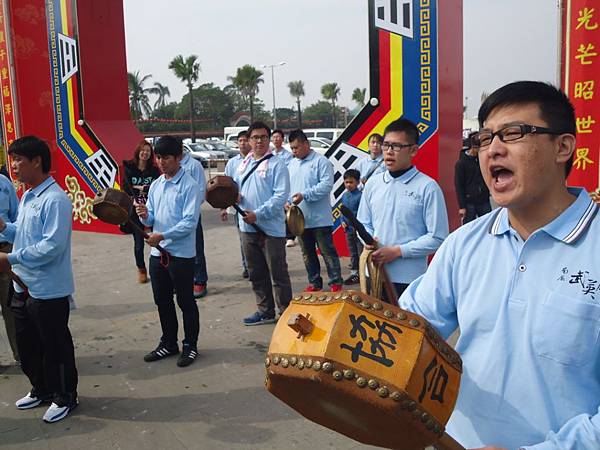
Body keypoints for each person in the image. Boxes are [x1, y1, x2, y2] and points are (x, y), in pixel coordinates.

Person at [399, 81, 600, 450]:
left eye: (513, 133)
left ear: (563, 147)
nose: (493, 149)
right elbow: (411, 331)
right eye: (486, 137)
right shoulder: (465, 243)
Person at [0, 136, 78, 423]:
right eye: (12, 159)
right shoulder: (29, 196)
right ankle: (41, 389)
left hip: (47, 289)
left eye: (19, 159)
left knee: (55, 346)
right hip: (22, 285)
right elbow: (22, 233)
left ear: (37, 162)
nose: (14, 166)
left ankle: (65, 396)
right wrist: (5, 228)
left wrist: (10, 258)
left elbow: (51, 246)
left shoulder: (55, 199)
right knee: (28, 344)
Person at [357, 118, 448, 297]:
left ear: (413, 150)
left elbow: (437, 237)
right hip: (374, 274)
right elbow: (363, 223)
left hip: (409, 280)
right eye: (386, 145)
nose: (389, 152)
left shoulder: (427, 187)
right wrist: (367, 240)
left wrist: (398, 251)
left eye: (397, 146)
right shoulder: (373, 184)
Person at [136, 136, 201, 367]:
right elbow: (153, 217)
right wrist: (145, 214)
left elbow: (189, 222)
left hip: (181, 255)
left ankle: (190, 345)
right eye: (159, 157)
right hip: (158, 255)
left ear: (178, 158)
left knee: (185, 301)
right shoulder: (157, 184)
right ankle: (169, 342)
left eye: (166, 158)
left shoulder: (189, 186)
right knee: (162, 300)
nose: (161, 162)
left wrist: (162, 236)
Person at [235, 121, 292, 326]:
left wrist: (257, 214)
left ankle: (285, 311)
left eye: (263, 137)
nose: (259, 141)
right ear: (249, 140)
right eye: (255, 137)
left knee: (278, 273)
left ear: (269, 140)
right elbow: (235, 191)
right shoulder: (242, 165)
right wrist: (234, 199)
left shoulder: (278, 164)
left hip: (271, 230)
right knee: (256, 272)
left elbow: (280, 197)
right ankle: (265, 310)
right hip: (247, 228)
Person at [288, 129, 343, 292]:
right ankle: (314, 282)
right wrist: (286, 202)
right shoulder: (292, 164)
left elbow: (326, 186)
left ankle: (335, 281)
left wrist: (305, 195)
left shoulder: (321, 162)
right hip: (300, 218)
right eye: (292, 148)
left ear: (306, 144)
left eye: (296, 147)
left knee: (327, 251)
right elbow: (288, 187)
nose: (294, 151)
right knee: (307, 252)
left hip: (320, 218)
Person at [122, 140, 161, 283]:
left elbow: (157, 189)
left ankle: (162, 266)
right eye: (143, 150)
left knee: (158, 239)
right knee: (139, 244)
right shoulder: (129, 169)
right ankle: (141, 269)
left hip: (152, 208)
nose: (145, 153)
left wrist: (145, 196)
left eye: (148, 151)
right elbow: (125, 189)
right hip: (135, 209)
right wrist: (136, 202)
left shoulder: (154, 170)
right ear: (138, 152)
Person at [179, 140, 208, 299]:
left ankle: (200, 279)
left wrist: (189, 206)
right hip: (174, 214)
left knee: (196, 246)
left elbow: (201, 191)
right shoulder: (170, 166)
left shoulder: (194, 165)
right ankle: (183, 280)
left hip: (191, 213)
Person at [221, 130, 251, 278]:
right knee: (243, 237)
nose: (243, 143)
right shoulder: (232, 163)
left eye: (245, 140)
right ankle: (247, 266)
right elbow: (226, 184)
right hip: (238, 206)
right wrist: (224, 207)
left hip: (255, 206)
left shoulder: (258, 161)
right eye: (240, 140)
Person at [0, 169, 19, 362]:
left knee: (12, 308)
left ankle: (22, 355)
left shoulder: (3, 183)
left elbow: (17, 217)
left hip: (5, 252)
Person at [454, 131, 491, 224]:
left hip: (484, 200)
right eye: (477, 148)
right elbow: (459, 185)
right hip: (469, 202)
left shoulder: (483, 160)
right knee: (469, 227)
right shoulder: (461, 163)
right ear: (472, 147)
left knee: (488, 224)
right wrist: (462, 206)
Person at [271, 129, 297, 248]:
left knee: (287, 212)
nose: (276, 139)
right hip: (273, 185)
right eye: (274, 137)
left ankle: (290, 236)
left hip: (284, 184)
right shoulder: (270, 154)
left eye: (278, 137)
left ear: (282, 139)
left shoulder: (287, 155)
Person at [340, 169, 363, 285]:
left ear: (358, 182)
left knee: (361, 253)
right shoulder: (344, 196)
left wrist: (357, 226)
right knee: (352, 252)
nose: (348, 185)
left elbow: (362, 213)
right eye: (346, 182)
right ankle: (354, 273)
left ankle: (362, 273)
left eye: (351, 182)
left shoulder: (360, 196)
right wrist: (342, 221)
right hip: (348, 230)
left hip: (358, 230)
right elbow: (342, 210)